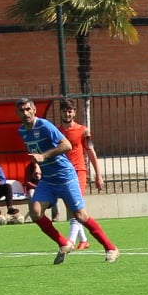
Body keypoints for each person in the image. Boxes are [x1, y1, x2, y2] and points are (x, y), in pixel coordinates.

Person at [18, 98, 119, 264]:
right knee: (35, 212)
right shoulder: (22, 131)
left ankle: (111, 248)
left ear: (34, 110)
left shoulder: (45, 125)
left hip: (65, 176)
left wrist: (44, 156)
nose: (25, 113)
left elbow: (66, 145)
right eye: (22, 110)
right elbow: (34, 150)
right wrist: (37, 165)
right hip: (48, 180)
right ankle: (64, 243)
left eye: (28, 109)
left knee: (79, 215)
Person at [57, 99, 103, 251]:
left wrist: (98, 174)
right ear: (60, 112)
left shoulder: (83, 131)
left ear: (74, 112)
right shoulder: (56, 132)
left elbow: (90, 151)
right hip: (63, 173)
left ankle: (70, 241)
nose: (67, 114)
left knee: (76, 206)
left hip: (79, 171)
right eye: (64, 111)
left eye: (70, 111)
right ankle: (83, 240)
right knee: (72, 209)